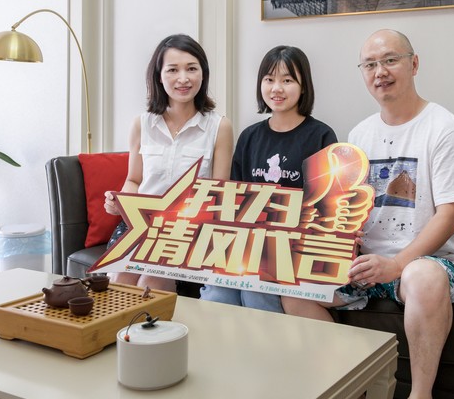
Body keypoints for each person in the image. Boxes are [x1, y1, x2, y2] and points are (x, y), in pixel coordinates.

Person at [283, 29, 454, 399]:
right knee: (295, 285)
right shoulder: (359, 134)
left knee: (421, 277)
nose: (379, 72)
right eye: (369, 64)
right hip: (368, 263)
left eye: (390, 60)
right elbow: (347, 208)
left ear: (414, 63)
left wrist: (398, 264)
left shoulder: (444, 128)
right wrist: (343, 244)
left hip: (428, 261)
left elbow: (451, 214)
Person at [200, 45, 337, 312]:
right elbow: (234, 199)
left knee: (256, 292)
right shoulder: (250, 136)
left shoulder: (321, 136)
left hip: (293, 246)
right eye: (269, 79)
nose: (277, 88)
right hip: (247, 243)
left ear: (304, 87)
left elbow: (327, 206)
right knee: (218, 291)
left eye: (287, 80)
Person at [103, 33, 234, 290]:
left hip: (191, 230)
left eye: (191, 69)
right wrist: (121, 202)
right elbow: (134, 180)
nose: (183, 78)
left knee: (150, 281)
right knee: (120, 278)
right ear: (159, 76)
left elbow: (220, 194)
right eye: (173, 70)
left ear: (203, 74)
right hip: (141, 223)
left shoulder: (220, 126)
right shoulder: (142, 124)